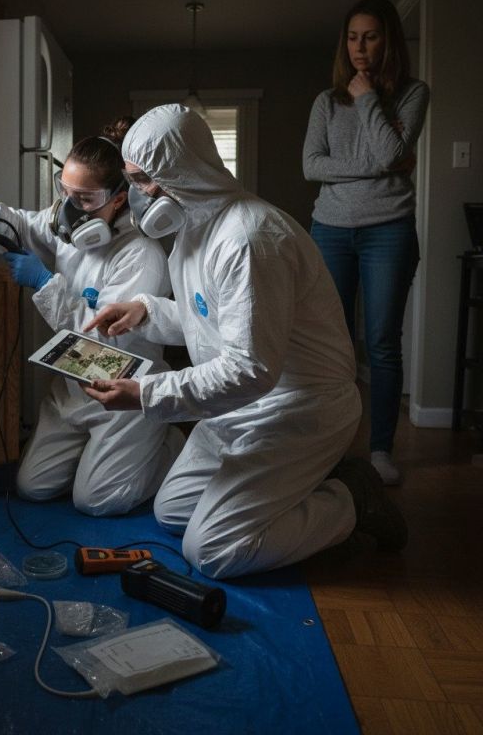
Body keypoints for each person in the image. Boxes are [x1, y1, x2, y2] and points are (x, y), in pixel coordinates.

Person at [81, 103, 407, 580]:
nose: (137, 195)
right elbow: (211, 320)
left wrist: (145, 394)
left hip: (298, 408)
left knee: (213, 550)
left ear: (182, 172)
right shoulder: (194, 228)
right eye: (132, 181)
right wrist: (146, 312)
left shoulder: (249, 238)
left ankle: (353, 499)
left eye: (143, 180)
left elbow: (249, 367)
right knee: (172, 513)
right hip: (240, 405)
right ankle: (296, 487)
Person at [0, 118, 183, 516]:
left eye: (85, 199)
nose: (71, 207)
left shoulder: (141, 254)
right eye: (65, 192)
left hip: (124, 388)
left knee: (97, 501)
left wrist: (44, 284)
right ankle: (104, 457)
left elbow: (106, 340)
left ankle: (167, 441)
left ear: (119, 197)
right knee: (32, 487)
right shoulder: (67, 228)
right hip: (73, 386)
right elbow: (21, 222)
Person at [303, 0, 430, 486]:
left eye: (370, 36)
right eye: (352, 37)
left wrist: (367, 99)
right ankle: (324, 448)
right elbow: (311, 165)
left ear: (388, 39)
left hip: (389, 233)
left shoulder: (413, 93)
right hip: (330, 231)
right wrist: (381, 165)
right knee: (329, 344)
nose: (360, 47)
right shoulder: (324, 101)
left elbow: (393, 150)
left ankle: (380, 451)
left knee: (380, 343)